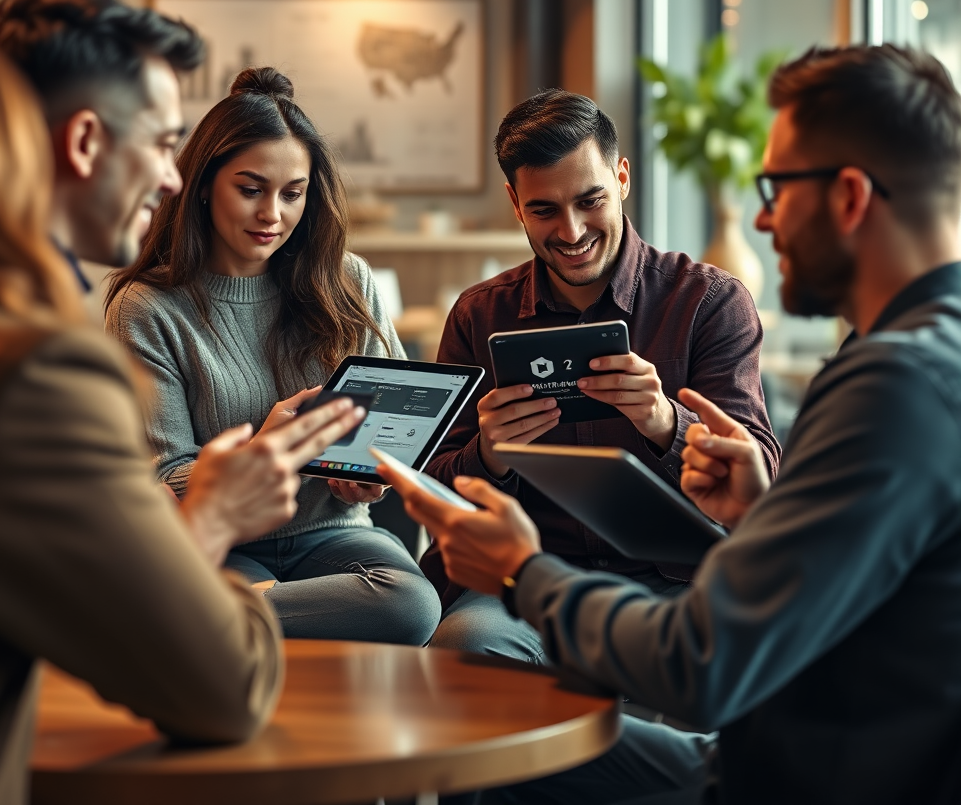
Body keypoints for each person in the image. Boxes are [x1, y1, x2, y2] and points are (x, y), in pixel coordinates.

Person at [381, 44, 961, 804]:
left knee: (482, 744)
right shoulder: (913, 360)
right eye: (544, 208)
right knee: (480, 723)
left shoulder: (891, 385)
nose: (761, 217)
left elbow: (703, 662)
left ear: (850, 196)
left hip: (785, 776)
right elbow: (825, 583)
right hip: (775, 755)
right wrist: (757, 513)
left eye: (775, 188)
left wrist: (524, 571)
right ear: (518, 206)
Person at [0, 24, 368, 805]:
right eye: (165, 144)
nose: (171, 178)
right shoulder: (31, 372)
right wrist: (212, 518)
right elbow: (222, 688)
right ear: (83, 142)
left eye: (292, 192)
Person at [423, 90, 780, 662]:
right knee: (466, 645)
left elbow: (759, 466)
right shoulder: (479, 314)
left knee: (723, 659)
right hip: (523, 581)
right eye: (544, 210)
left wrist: (665, 422)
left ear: (622, 178)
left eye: (590, 201)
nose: (571, 232)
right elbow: (431, 489)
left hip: (676, 583)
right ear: (515, 204)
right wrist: (488, 456)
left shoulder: (709, 302)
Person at [104, 66, 442, 644]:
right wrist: (266, 451)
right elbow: (163, 475)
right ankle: (227, 614)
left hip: (335, 533)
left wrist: (372, 476)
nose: (272, 215)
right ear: (204, 184)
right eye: (251, 189)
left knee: (410, 603)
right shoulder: (147, 307)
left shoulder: (348, 282)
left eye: (292, 193)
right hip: (221, 541)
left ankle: (225, 618)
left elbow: (390, 429)